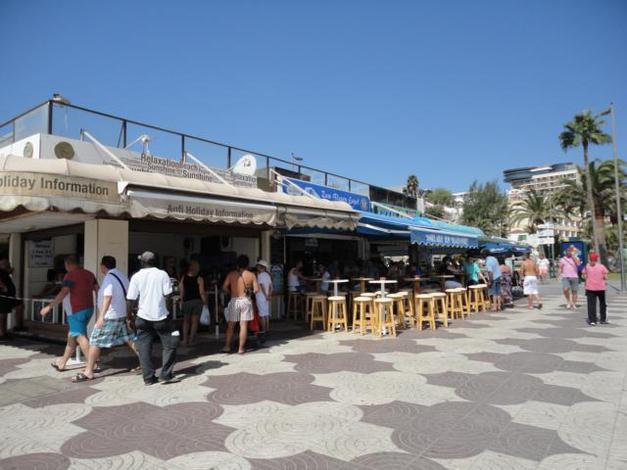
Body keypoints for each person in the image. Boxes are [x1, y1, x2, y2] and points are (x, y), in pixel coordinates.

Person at [73, 256, 137, 382]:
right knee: (130, 339)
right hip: (121, 314)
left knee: (95, 341)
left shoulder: (109, 278)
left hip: (111, 316)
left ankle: (89, 371)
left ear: (103, 266)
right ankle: (146, 363)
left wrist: (101, 317)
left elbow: (108, 297)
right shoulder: (122, 276)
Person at [127, 251, 178, 386]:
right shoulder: (162, 274)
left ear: (142, 262)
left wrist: (129, 316)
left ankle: (148, 378)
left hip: (142, 317)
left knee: (144, 348)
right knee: (170, 344)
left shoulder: (136, 276)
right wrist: (167, 311)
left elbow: (131, 299)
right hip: (161, 316)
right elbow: (168, 295)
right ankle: (166, 374)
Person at [41, 256, 97, 371]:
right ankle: (62, 363)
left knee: (80, 336)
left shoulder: (70, 275)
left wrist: (49, 306)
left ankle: (93, 365)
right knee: (72, 337)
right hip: (89, 308)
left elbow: (64, 292)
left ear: (68, 264)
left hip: (76, 310)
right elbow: (97, 289)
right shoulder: (89, 274)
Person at [222, 255, 259, 354]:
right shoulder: (251, 275)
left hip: (234, 300)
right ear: (247, 264)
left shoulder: (231, 274)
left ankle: (227, 346)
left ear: (237, 264)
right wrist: (249, 291)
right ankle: (241, 349)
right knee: (243, 325)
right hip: (246, 300)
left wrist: (230, 292)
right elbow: (256, 290)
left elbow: (224, 287)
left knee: (231, 325)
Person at [179, 259, 208, 346]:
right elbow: (201, 292)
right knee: (194, 322)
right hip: (197, 301)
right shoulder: (199, 279)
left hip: (187, 301)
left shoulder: (184, 277)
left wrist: (181, 300)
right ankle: (191, 340)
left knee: (186, 321)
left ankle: (185, 340)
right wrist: (205, 302)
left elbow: (181, 290)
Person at [582, 252, 609, 326]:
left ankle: (592, 320)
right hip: (601, 288)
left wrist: (586, 277)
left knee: (591, 304)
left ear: (589, 259)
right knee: (602, 304)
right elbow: (606, 277)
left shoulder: (587, 266)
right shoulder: (601, 266)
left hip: (590, 288)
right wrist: (604, 278)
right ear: (597, 259)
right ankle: (603, 319)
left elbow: (584, 276)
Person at [0, 257, 18, 340]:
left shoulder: (4, 272)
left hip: (8, 296)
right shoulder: (1, 272)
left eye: (8, 264)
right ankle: (2, 333)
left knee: (5, 314)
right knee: (2, 315)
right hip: (3, 296)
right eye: (6, 264)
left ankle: (4, 332)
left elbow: (9, 271)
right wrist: (4, 287)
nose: (8, 265)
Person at [255, 260, 273, 334]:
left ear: (261, 267)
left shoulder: (260, 275)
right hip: (266, 297)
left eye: (258, 266)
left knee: (262, 314)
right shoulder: (267, 275)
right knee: (266, 313)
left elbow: (262, 286)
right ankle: (267, 329)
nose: (257, 267)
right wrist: (269, 295)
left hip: (261, 297)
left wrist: (265, 296)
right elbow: (271, 287)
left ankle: (263, 331)